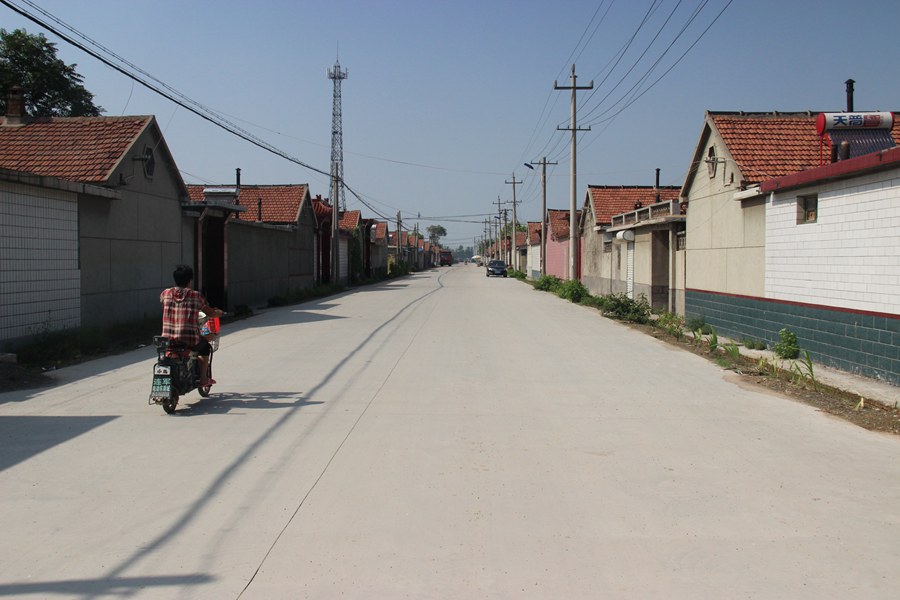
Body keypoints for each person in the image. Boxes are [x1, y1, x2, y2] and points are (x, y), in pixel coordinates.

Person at [160, 264, 223, 388]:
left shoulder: (165, 293)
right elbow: (210, 312)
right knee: (205, 348)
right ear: (189, 280)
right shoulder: (196, 296)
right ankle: (204, 379)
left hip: (167, 340)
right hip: (188, 340)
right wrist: (219, 313)